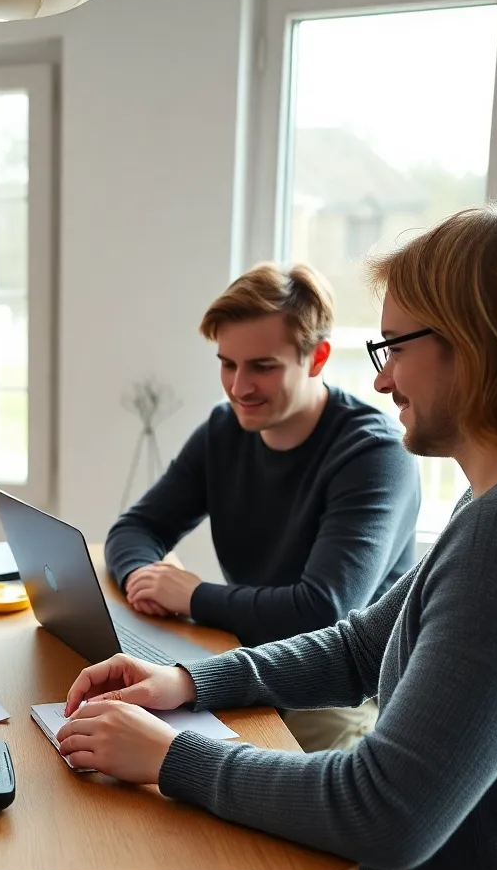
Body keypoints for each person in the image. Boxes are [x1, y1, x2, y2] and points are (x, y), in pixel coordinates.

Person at [59, 207, 497, 870]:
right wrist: (191, 683)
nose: (380, 376)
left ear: (471, 344)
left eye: (394, 347)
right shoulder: (483, 506)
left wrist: (172, 755)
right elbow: (359, 645)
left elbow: (386, 810)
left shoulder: (495, 533)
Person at [105, 262, 420, 751]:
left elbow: (323, 611)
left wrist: (191, 595)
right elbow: (136, 527)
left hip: (335, 691)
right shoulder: (223, 430)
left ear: (317, 358)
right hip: (241, 658)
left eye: (262, 366)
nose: (239, 387)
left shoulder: (374, 454)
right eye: (227, 363)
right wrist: (142, 580)